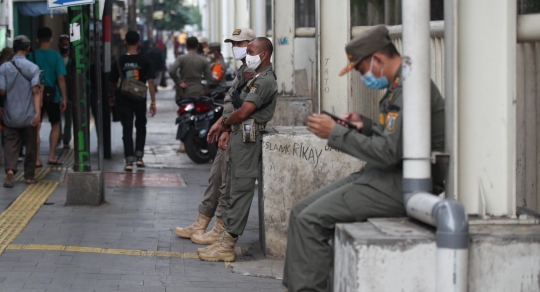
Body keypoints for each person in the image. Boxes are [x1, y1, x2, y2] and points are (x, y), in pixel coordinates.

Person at [281, 25, 446, 292]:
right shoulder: (398, 86)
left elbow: (388, 152)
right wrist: (364, 125)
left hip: (401, 183)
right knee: (300, 212)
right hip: (385, 175)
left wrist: (335, 133)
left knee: (310, 221)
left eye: (361, 69)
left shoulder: (410, 89)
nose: (363, 77)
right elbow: (397, 139)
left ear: (378, 60)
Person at [197, 37, 278, 262]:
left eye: (250, 50)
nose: (246, 54)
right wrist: (226, 129)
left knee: (241, 189)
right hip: (238, 135)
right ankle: (223, 239)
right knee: (231, 187)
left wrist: (223, 124)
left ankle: (228, 244)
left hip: (248, 138)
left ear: (263, 55)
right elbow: (236, 105)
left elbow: (243, 113)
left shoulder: (265, 81)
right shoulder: (250, 76)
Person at [173, 28, 256, 245]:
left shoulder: (256, 73)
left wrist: (226, 126)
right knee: (216, 178)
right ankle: (201, 222)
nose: (235, 48)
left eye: (240, 43)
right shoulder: (243, 70)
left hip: (239, 133)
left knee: (227, 184)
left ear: (254, 45)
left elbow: (246, 109)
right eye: (233, 44)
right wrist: (220, 123)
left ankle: (219, 228)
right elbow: (231, 101)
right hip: (228, 128)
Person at [108, 31, 157, 171]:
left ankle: (129, 161)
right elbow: (151, 82)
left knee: (127, 128)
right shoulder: (145, 61)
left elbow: (113, 82)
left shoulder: (119, 61)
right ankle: (139, 157)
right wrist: (153, 102)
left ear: (125, 42)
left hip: (123, 98)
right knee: (141, 127)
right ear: (139, 43)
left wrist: (111, 96)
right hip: (140, 99)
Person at [0, 35, 41, 187]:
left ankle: (10, 170)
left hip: (10, 114)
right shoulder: (33, 68)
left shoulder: (4, 67)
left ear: (14, 49)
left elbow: (2, 91)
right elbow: (36, 92)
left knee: (10, 143)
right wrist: (37, 113)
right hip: (29, 115)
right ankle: (29, 177)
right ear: (28, 49)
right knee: (30, 145)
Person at [28, 27, 68, 167]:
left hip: (35, 95)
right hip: (53, 95)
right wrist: (64, 97)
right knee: (55, 124)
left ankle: (37, 159)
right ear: (51, 40)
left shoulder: (31, 55)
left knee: (36, 126)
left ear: (37, 40)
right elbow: (61, 78)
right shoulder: (56, 56)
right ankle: (51, 156)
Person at [168, 36, 214, 153]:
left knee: (184, 116)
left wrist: (179, 82)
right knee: (200, 116)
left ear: (187, 46)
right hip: (199, 91)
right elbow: (209, 78)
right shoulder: (203, 60)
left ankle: (182, 144)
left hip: (185, 92)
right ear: (198, 46)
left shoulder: (181, 58)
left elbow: (172, 70)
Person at [58, 34, 73, 149]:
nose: (64, 46)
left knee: (69, 119)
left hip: (70, 93)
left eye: (66, 44)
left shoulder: (73, 60)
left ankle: (66, 140)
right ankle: (57, 138)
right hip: (57, 93)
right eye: (62, 44)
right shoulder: (56, 58)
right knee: (57, 119)